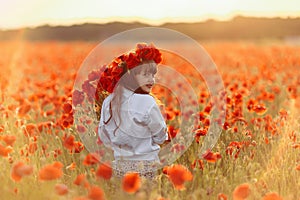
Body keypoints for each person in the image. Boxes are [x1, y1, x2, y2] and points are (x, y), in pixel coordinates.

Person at [97, 43, 168, 179]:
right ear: (130, 76)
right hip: (146, 167)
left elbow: (104, 137)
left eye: (153, 75)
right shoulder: (147, 102)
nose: (151, 80)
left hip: (119, 167)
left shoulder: (108, 102)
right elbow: (160, 135)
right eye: (145, 74)